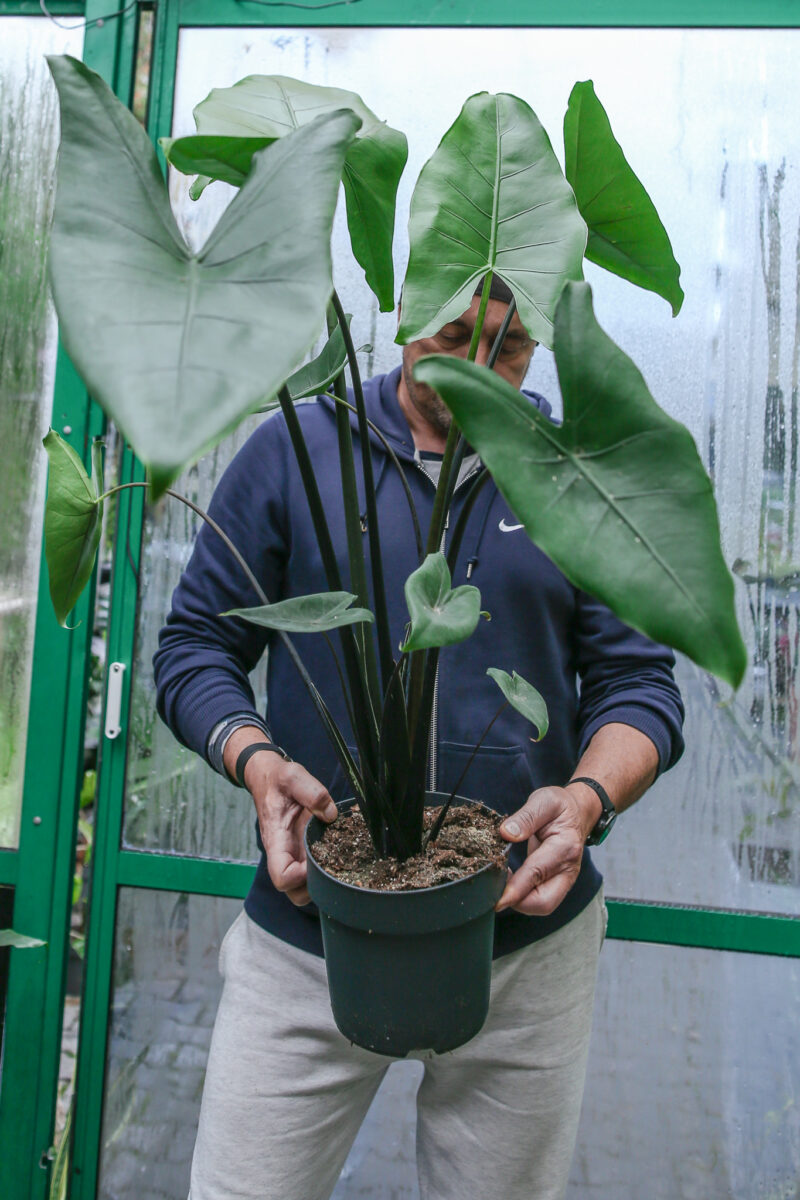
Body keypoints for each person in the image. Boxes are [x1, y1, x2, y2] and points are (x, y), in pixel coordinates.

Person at [154, 277, 684, 1200]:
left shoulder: (580, 472)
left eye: (510, 347)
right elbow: (196, 644)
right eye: (454, 333)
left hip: (523, 937)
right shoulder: (296, 448)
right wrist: (256, 757)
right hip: (311, 929)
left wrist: (588, 798)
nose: (481, 365)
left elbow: (641, 687)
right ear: (403, 317)